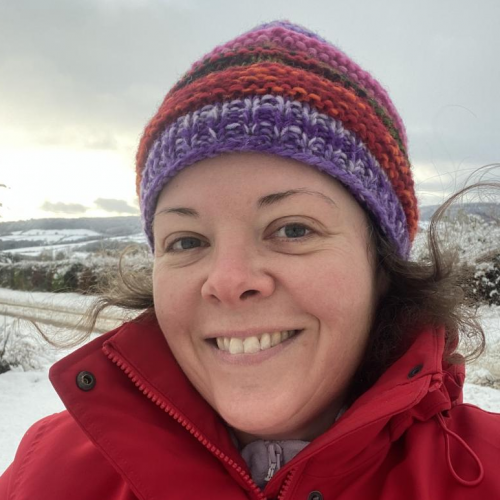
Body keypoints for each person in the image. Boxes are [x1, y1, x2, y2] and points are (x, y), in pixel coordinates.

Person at [1, 20, 499, 500]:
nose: (228, 280)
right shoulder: (44, 475)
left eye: (293, 229)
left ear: (382, 265)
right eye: (187, 241)